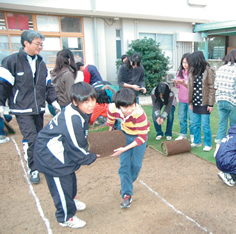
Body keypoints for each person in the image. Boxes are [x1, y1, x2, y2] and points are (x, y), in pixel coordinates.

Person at [34, 82, 99, 228]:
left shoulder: (77, 111)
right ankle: (65, 217)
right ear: (75, 101)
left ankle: (71, 199)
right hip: (50, 156)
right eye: (86, 101)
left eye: (93, 100)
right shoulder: (73, 118)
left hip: (61, 150)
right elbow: (76, 147)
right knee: (61, 186)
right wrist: (91, 156)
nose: (91, 105)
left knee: (70, 178)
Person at [0, 30, 60, 183]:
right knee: (31, 138)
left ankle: (41, 163)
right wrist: (1, 104)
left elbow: (48, 86)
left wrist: (53, 102)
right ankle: (33, 169)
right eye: (37, 44)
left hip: (38, 108)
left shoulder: (40, 62)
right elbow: (3, 85)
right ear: (26, 43)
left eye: (41, 44)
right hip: (21, 109)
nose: (40, 47)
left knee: (40, 137)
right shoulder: (11, 61)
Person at [106, 88, 150, 208]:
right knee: (124, 166)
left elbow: (141, 138)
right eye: (126, 107)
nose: (130, 109)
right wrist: (108, 136)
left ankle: (127, 184)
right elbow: (110, 121)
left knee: (136, 165)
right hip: (124, 135)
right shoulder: (112, 108)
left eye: (132, 105)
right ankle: (127, 194)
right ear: (119, 106)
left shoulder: (138, 113)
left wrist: (123, 149)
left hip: (139, 137)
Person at [188, 51, 216, 152]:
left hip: (205, 102)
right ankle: (197, 141)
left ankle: (208, 144)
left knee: (205, 124)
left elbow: (212, 87)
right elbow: (190, 87)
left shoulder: (208, 70)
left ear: (197, 60)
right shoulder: (192, 70)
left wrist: (210, 104)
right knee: (196, 123)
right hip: (195, 101)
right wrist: (190, 102)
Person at [214, 49, 236, 155]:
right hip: (232, 101)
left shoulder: (221, 68)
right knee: (233, 126)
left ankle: (217, 149)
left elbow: (215, 86)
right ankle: (231, 149)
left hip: (220, 100)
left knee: (222, 124)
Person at [48, 49, 77, 116]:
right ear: (69, 60)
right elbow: (70, 94)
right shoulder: (68, 74)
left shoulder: (54, 72)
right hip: (63, 106)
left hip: (53, 105)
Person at [172, 53, 194, 142]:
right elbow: (177, 87)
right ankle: (183, 135)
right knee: (182, 118)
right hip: (181, 99)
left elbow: (192, 87)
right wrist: (177, 83)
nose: (184, 64)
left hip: (191, 100)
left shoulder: (193, 72)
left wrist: (183, 83)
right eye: (183, 62)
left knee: (192, 119)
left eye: (186, 62)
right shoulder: (179, 72)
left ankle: (193, 136)